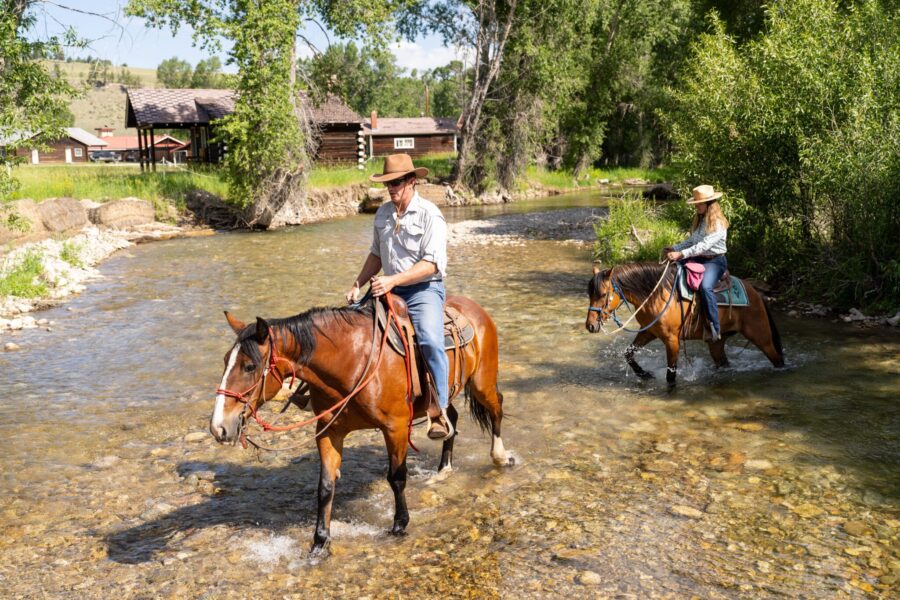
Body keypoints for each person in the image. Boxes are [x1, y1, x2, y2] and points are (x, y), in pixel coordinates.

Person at [346, 153, 453, 440]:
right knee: (346, 324)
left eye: (396, 183)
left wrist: (392, 280)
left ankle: (439, 410)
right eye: (388, 183)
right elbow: (376, 254)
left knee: (430, 339)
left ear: (412, 181)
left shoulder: (431, 215)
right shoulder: (382, 214)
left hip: (423, 290)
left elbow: (432, 264)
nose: (391, 188)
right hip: (387, 287)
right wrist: (358, 283)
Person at [664, 184, 729, 341]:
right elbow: (692, 241)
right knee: (672, 272)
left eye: (699, 203)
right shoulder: (701, 221)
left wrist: (680, 254)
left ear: (709, 204)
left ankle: (714, 327)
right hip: (698, 258)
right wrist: (674, 247)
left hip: (715, 261)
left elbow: (703, 246)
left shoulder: (718, 223)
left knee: (705, 287)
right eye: (696, 204)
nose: (697, 207)